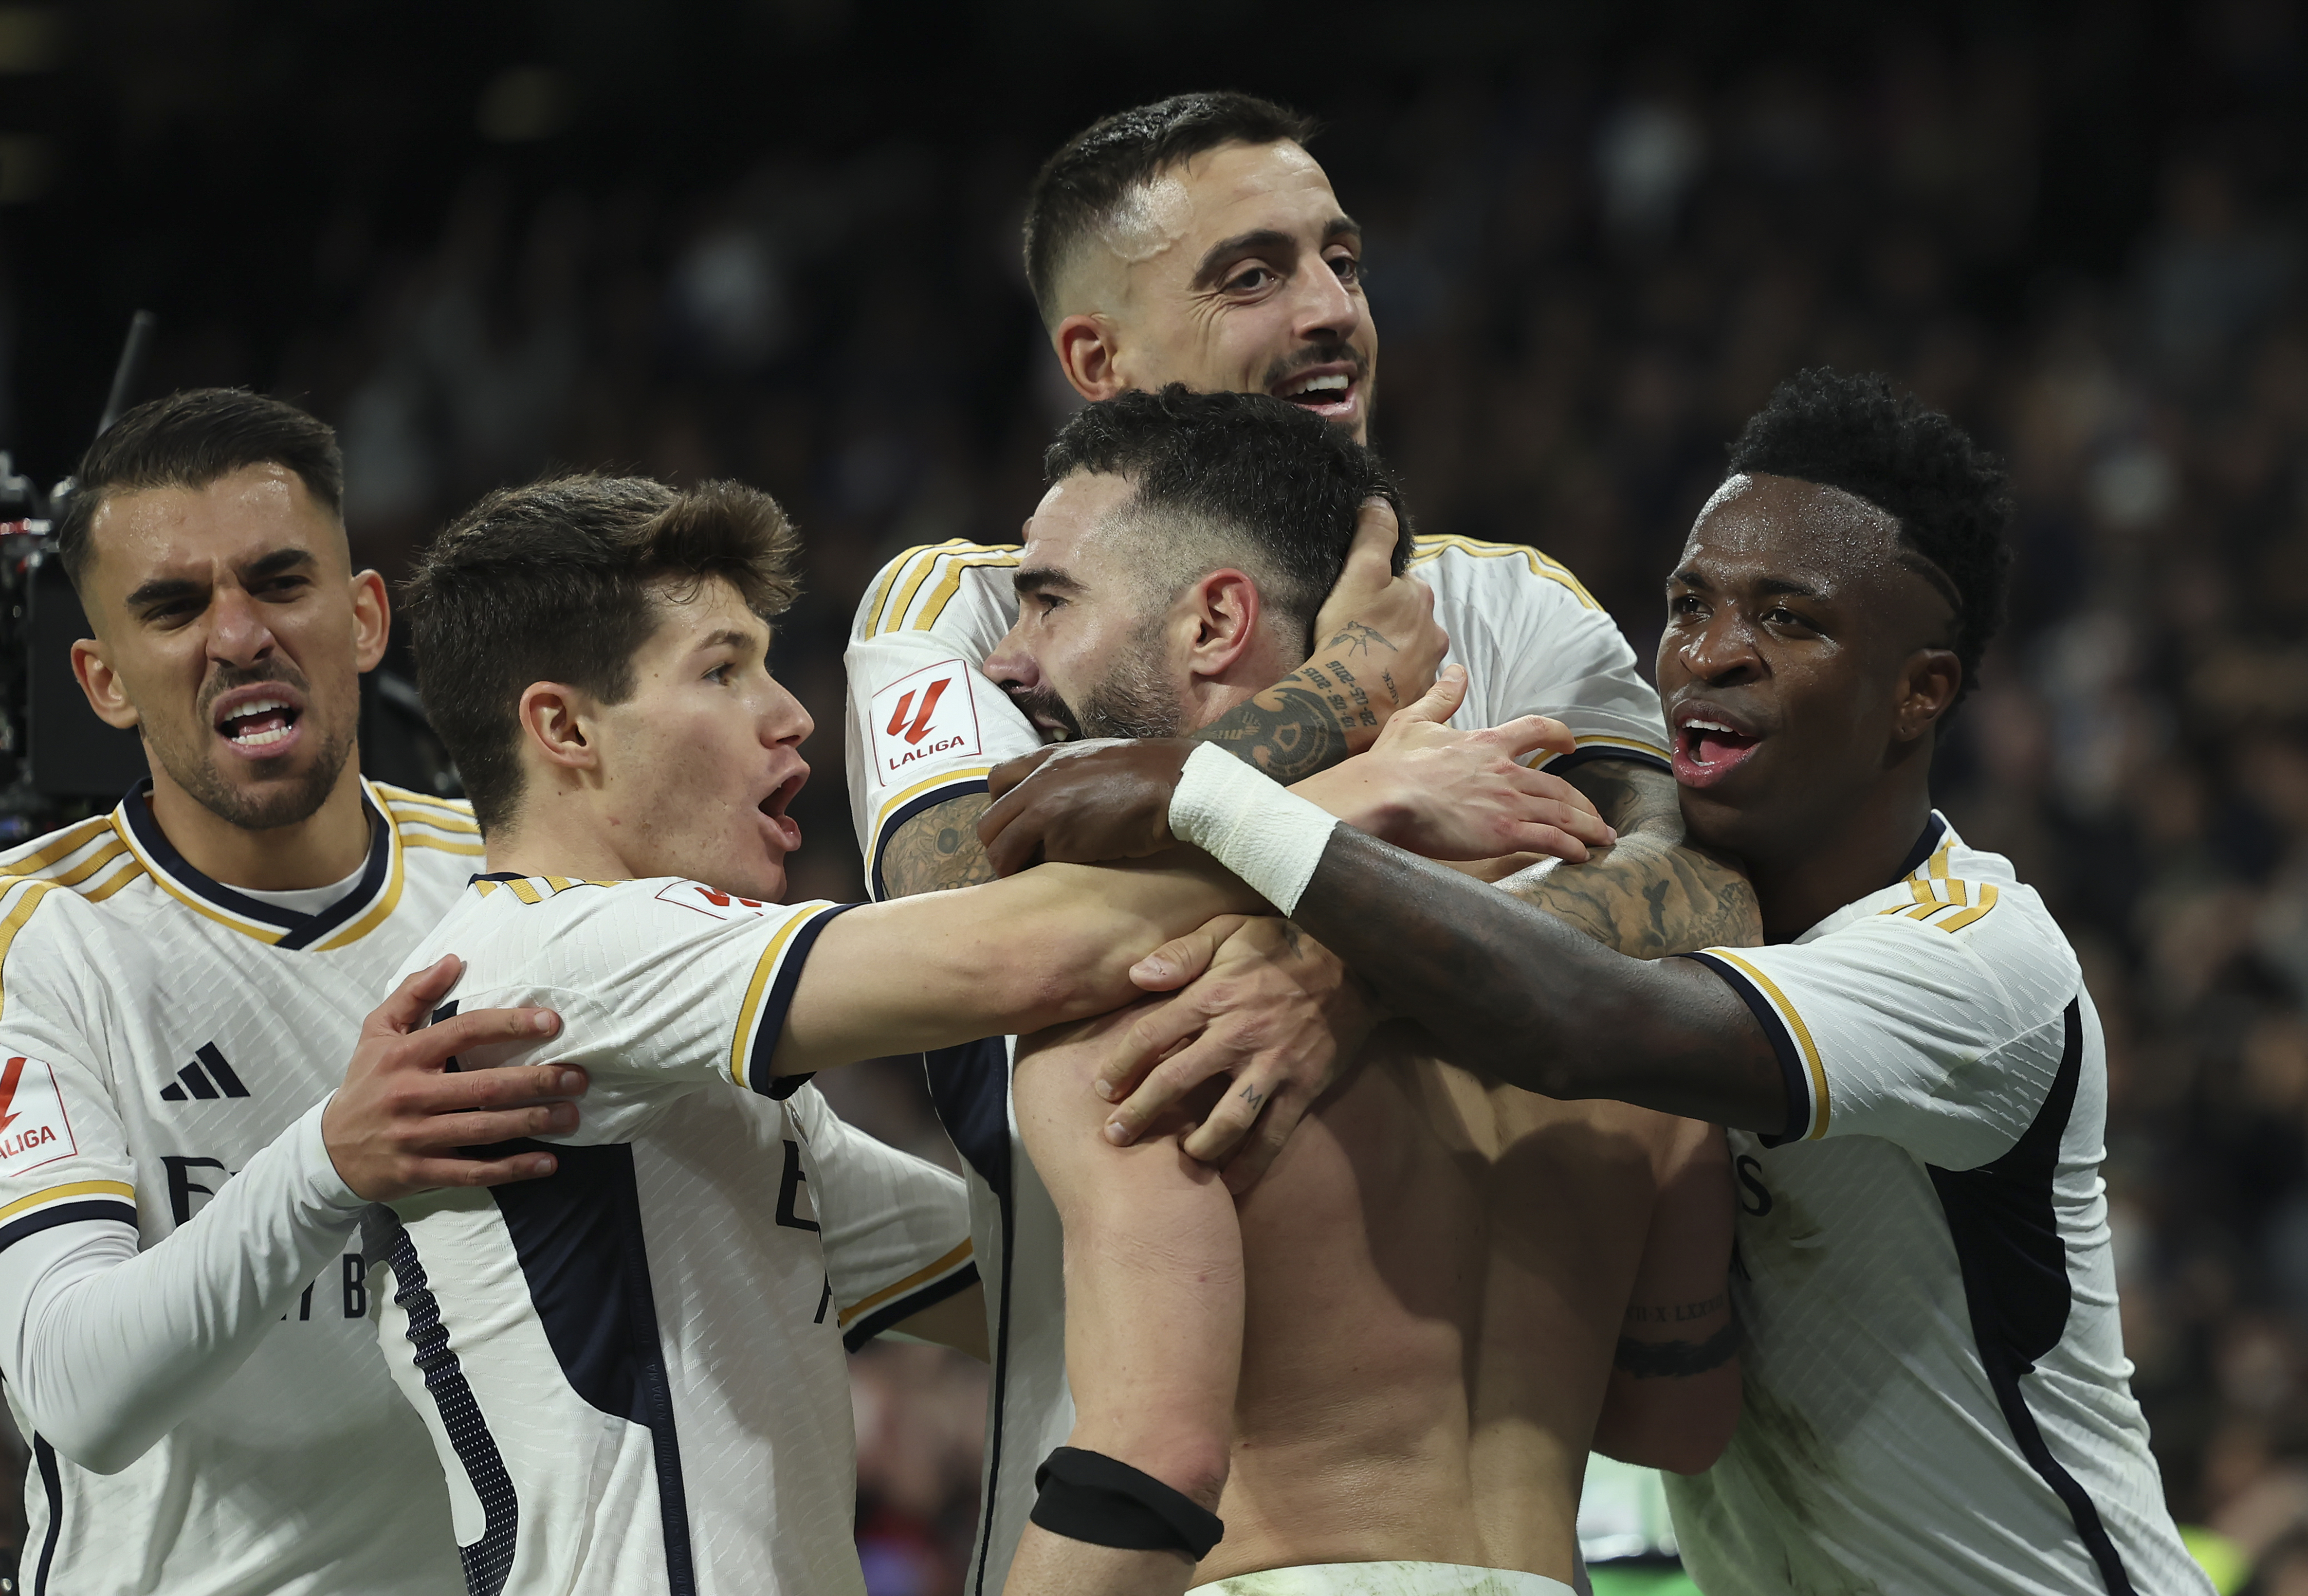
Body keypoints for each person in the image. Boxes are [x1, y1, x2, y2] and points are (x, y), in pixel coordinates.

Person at [979, 370, 2215, 1596]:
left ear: (1920, 691)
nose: (1714, 653)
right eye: (1690, 604)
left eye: (1790, 619)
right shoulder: (1637, 912)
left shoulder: (1969, 958)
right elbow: (1674, 1415)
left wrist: (1211, 798)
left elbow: (1577, 1018)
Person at [842, 93, 1759, 1595]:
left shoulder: (1513, 606)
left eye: (1343, 260)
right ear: (1097, 359)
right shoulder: (974, 608)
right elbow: (959, 902)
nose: (1332, 311)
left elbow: (1711, 903)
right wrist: (1343, 733)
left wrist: (1368, 973)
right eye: (1251, 274)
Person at [373, 470, 1553, 1595]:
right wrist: (1356, 796)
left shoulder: (696, 1104)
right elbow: (1015, 945)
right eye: (723, 671)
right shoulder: (558, 956)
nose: (791, 716)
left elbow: (1034, 1271)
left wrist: (1364, 989)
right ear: (564, 731)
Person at [955, 387, 1741, 1596]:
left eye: (1051, 600)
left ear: (1214, 621)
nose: (1006, 659)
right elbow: (1674, 1420)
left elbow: (1150, 1465)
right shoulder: (1604, 976)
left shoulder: (1151, 985)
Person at [0, 388, 593, 1596]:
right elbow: (74, 1389)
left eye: (279, 582)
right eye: (174, 606)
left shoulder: (519, 876)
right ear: (102, 680)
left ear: (368, 617)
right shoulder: (35, 933)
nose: (237, 635)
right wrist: (330, 1160)